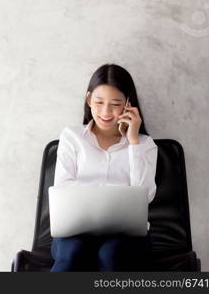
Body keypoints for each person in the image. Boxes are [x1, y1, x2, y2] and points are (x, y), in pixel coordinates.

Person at [50, 64, 158, 272]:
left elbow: (145, 195)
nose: (105, 112)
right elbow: (62, 188)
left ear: (128, 104)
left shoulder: (144, 145)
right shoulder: (72, 137)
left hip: (125, 237)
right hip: (75, 232)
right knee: (71, 254)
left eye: (115, 104)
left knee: (110, 255)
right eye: (99, 102)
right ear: (89, 99)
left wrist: (133, 141)